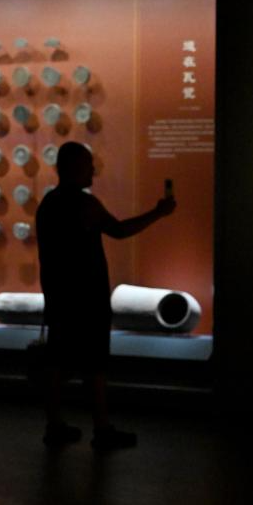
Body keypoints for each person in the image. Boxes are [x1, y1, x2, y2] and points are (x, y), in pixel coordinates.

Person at [35, 142, 176, 449]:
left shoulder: (48, 203)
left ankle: (54, 425)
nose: (93, 171)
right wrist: (158, 213)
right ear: (74, 167)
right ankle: (101, 428)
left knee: (56, 361)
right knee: (96, 364)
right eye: (88, 164)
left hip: (59, 296)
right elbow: (120, 230)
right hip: (88, 298)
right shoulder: (84, 204)